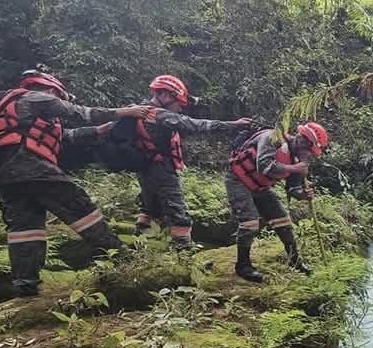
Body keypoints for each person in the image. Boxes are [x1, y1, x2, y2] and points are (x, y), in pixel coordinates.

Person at [0, 70, 149, 296]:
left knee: (25, 228)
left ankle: (25, 284)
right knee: (79, 206)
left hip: (7, 177)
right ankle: (121, 255)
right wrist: (126, 111)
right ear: (53, 90)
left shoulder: (18, 112)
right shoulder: (37, 96)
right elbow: (80, 112)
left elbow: (65, 136)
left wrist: (99, 130)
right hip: (33, 169)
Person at [130, 75, 251, 249]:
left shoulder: (141, 111)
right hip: (161, 170)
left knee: (149, 208)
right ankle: (185, 253)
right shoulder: (159, 115)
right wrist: (232, 124)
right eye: (178, 104)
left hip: (145, 168)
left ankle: (137, 250)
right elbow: (195, 125)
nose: (179, 109)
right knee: (177, 212)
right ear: (164, 95)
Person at [226, 122, 328, 283]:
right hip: (238, 181)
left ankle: (294, 261)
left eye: (311, 151)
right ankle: (243, 266)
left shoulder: (298, 159)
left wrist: (303, 195)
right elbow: (264, 166)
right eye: (308, 149)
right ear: (301, 139)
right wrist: (296, 168)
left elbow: (293, 189)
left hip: (261, 187)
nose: (308, 154)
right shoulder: (272, 138)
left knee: (283, 221)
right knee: (250, 222)